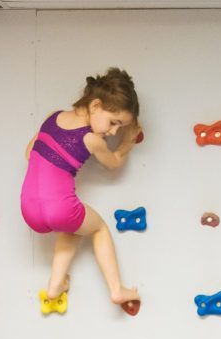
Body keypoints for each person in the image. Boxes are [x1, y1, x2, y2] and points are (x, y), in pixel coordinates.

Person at [20, 68, 143, 311]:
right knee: (98, 228)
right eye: (114, 122)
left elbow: (28, 154)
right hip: (60, 207)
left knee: (74, 227)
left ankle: (56, 286)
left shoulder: (51, 117)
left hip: (28, 208)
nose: (113, 131)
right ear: (96, 105)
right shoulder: (92, 139)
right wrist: (127, 143)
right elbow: (113, 163)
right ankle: (117, 289)